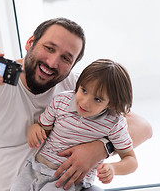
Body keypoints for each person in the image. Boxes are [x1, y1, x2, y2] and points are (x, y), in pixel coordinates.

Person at [0, 17, 152, 191]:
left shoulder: (78, 89)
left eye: (66, 58)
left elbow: (143, 127)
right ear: (30, 43)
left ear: (74, 65)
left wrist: (100, 149)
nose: (52, 62)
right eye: (49, 48)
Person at [10, 59, 138, 191]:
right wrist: (35, 128)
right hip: (35, 168)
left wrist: (112, 168)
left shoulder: (114, 123)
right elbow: (43, 127)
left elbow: (131, 160)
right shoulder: (61, 101)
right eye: (84, 90)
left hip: (67, 180)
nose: (85, 102)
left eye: (98, 99)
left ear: (111, 103)